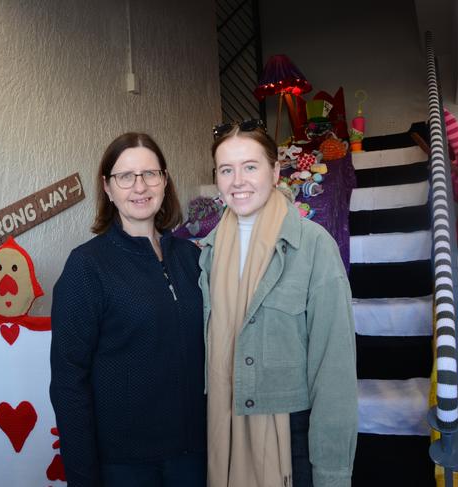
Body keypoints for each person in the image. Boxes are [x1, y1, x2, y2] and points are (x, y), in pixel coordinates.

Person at [199, 120, 357, 487]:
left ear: (274, 171)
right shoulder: (206, 252)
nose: (238, 181)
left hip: (292, 440)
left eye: (250, 167)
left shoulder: (314, 247)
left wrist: (332, 474)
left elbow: (334, 370)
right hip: (221, 431)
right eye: (227, 170)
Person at [49, 132, 207, 487]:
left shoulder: (192, 258)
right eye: (125, 176)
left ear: (165, 181)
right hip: (125, 466)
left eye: (150, 174)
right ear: (107, 187)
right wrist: (82, 476)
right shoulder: (87, 267)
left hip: (195, 455)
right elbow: (68, 381)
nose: (140, 186)